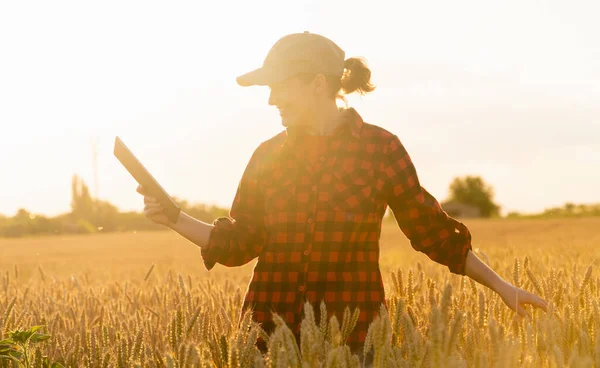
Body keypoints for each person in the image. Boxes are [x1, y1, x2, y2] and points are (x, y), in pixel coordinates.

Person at [137, 31, 548, 359]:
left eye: (279, 86)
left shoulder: (380, 150)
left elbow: (435, 234)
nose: (270, 99)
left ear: (318, 84)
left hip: (352, 345)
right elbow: (239, 243)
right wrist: (173, 217)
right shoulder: (267, 156)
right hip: (265, 343)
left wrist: (504, 288)